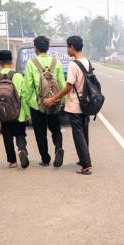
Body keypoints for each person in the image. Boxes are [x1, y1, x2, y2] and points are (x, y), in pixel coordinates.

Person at [44, 35, 92, 175]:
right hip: (86, 104)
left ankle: (86, 165)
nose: (67, 50)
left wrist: (53, 98)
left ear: (72, 47)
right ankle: (84, 159)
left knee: (78, 135)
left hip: (76, 105)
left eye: (67, 47)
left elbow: (68, 87)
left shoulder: (73, 65)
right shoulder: (87, 62)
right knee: (84, 132)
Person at [23, 35, 66, 167]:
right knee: (55, 129)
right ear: (47, 48)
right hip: (53, 102)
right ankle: (58, 148)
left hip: (37, 105)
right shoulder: (56, 62)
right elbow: (61, 83)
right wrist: (61, 100)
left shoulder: (31, 63)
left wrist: (26, 105)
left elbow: (27, 88)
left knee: (40, 133)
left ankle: (45, 159)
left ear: (35, 48)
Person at [0, 49, 29, 168]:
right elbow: (24, 96)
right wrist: (27, 113)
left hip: (4, 114)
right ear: (11, 62)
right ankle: (22, 150)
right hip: (18, 113)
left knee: (7, 137)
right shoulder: (17, 76)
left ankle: (12, 161)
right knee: (20, 134)